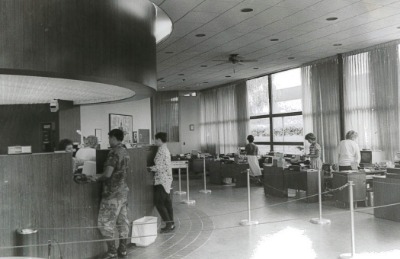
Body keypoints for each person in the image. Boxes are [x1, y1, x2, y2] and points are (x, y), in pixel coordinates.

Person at [88, 129, 130, 259]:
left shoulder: (113, 153)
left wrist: (96, 178)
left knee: (104, 223)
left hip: (111, 194)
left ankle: (112, 252)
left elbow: (107, 174)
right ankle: (123, 250)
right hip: (123, 192)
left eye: (110, 138)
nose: (109, 141)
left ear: (113, 138)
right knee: (122, 222)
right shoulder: (125, 151)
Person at [148, 132, 174, 233]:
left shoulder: (161, 150)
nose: (155, 142)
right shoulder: (165, 149)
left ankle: (168, 224)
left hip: (161, 180)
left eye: (156, 140)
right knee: (167, 202)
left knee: (159, 203)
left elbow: (159, 166)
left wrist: (150, 168)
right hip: (167, 179)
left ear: (159, 139)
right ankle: (171, 223)